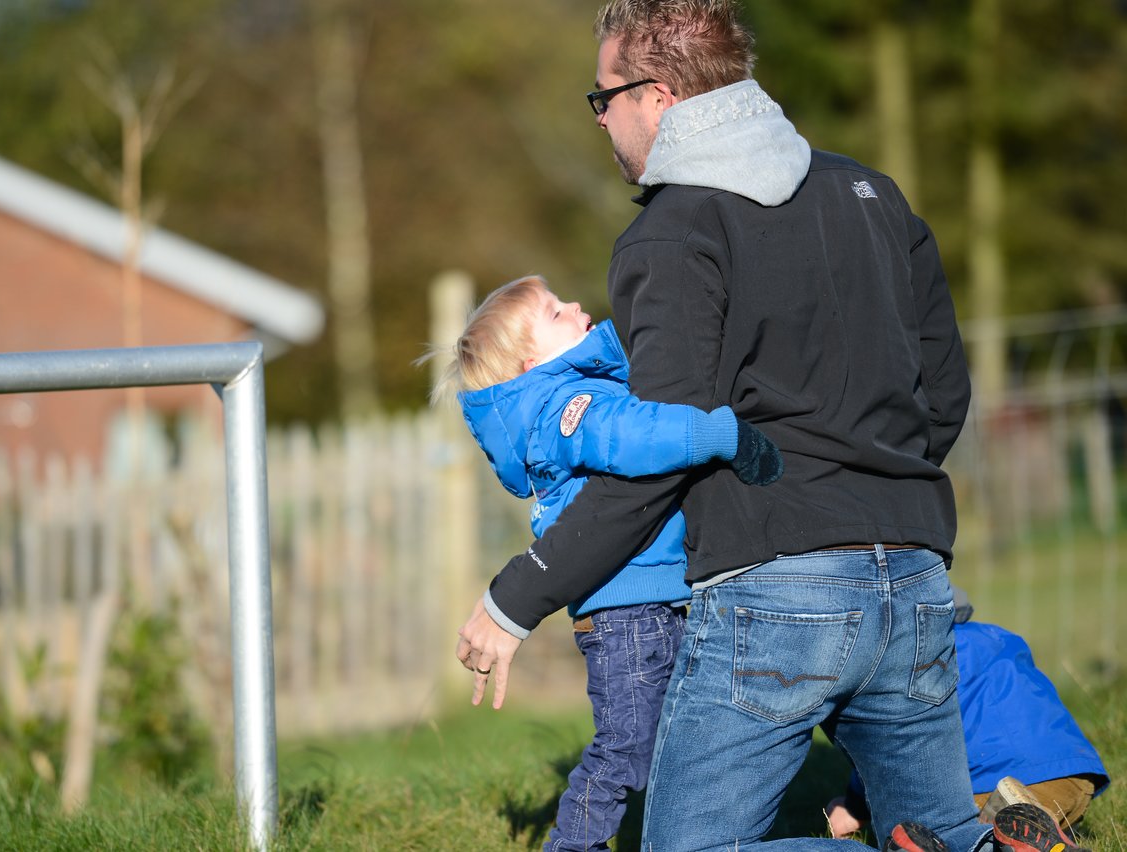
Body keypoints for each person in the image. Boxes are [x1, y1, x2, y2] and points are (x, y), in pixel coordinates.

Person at [452, 2, 1075, 850]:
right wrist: (878, 488)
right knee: (938, 831)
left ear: (659, 96)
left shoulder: (670, 232)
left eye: (604, 98)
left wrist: (514, 599)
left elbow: (657, 453)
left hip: (779, 593)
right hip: (919, 574)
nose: (602, 122)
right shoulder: (874, 195)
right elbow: (946, 389)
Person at [432, 273, 782, 851]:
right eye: (552, 313)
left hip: (641, 605)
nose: (573, 305)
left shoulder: (566, 396)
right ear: (528, 363)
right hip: (631, 613)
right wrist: (721, 433)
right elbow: (634, 436)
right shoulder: (568, 405)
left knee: (673, 737)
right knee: (626, 747)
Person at [826, 589, 1110, 838]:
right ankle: (1037, 828)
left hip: (1004, 780)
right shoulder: (992, 636)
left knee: (922, 835)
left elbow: (885, 743)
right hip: (1075, 775)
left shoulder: (912, 658)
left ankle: (1012, 827)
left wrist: (855, 805)